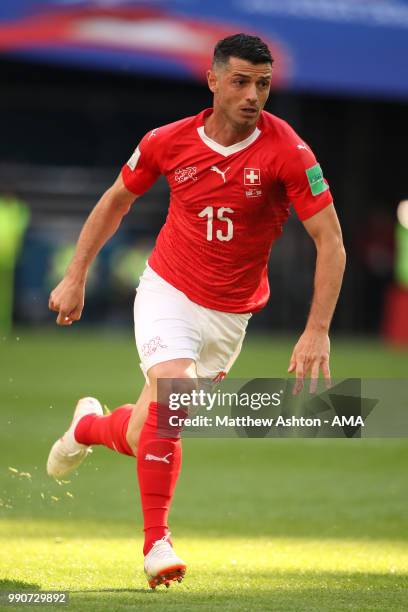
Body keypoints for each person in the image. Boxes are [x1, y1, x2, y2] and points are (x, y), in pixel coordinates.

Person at [47, 33, 346, 589]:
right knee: (175, 401)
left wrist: (317, 331)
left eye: (262, 83)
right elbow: (117, 198)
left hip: (230, 317)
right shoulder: (167, 140)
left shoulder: (289, 152)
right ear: (212, 81)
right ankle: (155, 543)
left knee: (147, 433)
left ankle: (85, 427)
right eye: (240, 81)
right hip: (168, 290)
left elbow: (331, 241)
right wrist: (75, 273)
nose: (253, 95)